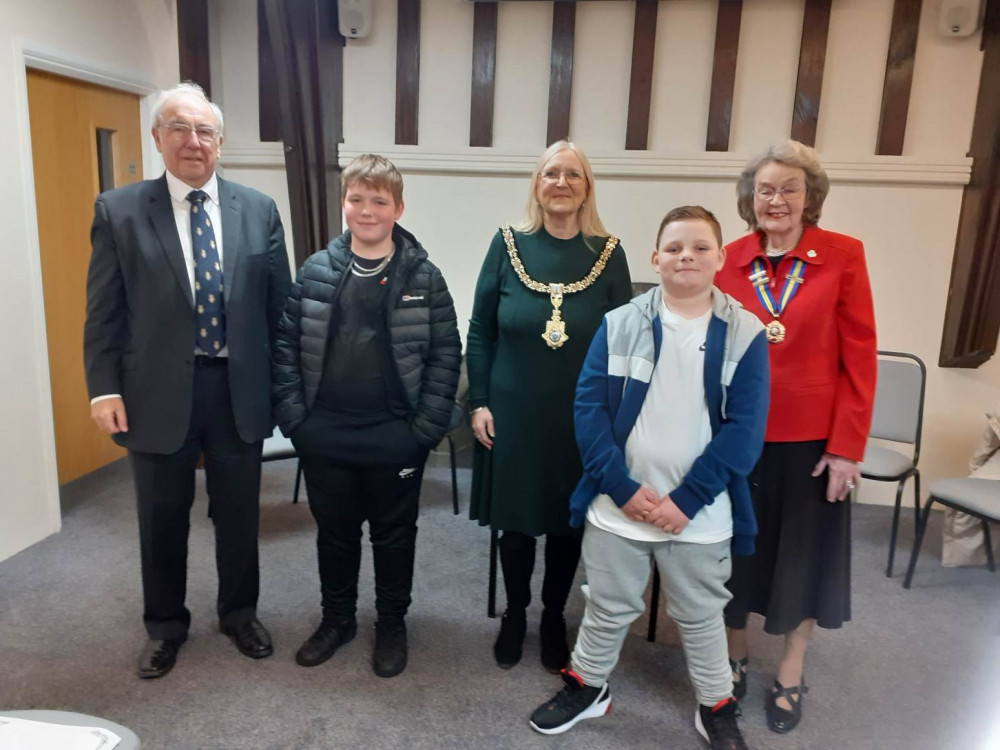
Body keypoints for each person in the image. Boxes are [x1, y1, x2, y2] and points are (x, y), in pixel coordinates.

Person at [528, 207, 768, 750]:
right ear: (655, 258)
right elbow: (588, 410)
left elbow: (745, 432)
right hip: (619, 504)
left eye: (701, 247)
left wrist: (687, 498)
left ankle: (716, 704)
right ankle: (588, 687)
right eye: (676, 247)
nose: (688, 255)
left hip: (699, 512)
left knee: (702, 615)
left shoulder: (746, 334)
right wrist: (620, 487)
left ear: (721, 259)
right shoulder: (620, 323)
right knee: (607, 604)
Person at [84, 83, 291, 678]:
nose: (192, 141)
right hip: (153, 394)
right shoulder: (118, 211)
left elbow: (280, 308)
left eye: (203, 131)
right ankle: (166, 625)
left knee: (238, 515)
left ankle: (239, 613)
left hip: (237, 391)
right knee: (161, 517)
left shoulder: (258, 209)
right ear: (157, 138)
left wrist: (285, 387)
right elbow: (104, 311)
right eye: (179, 127)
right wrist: (104, 388)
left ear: (220, 143)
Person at [271, 154, 461, 678]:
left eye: (380, 200)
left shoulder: (424, 275)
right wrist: (296, 422)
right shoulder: (316, 270)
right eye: (358, 198)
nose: (367, 210)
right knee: (334, 533)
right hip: (324, 431)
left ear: (398, 208)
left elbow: (446, 354)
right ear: (344, 203)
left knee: (393, 534)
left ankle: (392, 624)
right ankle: (337, 620)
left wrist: (423, 431)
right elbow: (286, 345)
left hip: (395, 434)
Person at [716, 139, 877, 733]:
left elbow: (860, 357)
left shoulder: (842, 256)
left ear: (810, 199)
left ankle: (790, 667)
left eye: (789, 188)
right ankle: (732, 658)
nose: (776, 199)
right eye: (765, 189)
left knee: (803, 559)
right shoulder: (728, 259)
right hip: (737, 436)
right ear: (749, 198)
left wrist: (846, 447)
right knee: (734, 555)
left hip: (812, 443)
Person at [467, 140, 633, 672]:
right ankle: (515, 614)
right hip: (512, 408)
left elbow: (624, 345)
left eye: (573, 175)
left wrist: (615, 419)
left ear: (587, 188)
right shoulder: (507, 243)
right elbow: (480, 331)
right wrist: (480, 401)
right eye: (550, 174)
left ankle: (553, 617)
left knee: (568, 522)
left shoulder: (608, 253)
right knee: (516, 524)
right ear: (536, 184)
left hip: (581, 416)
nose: (561, 183)